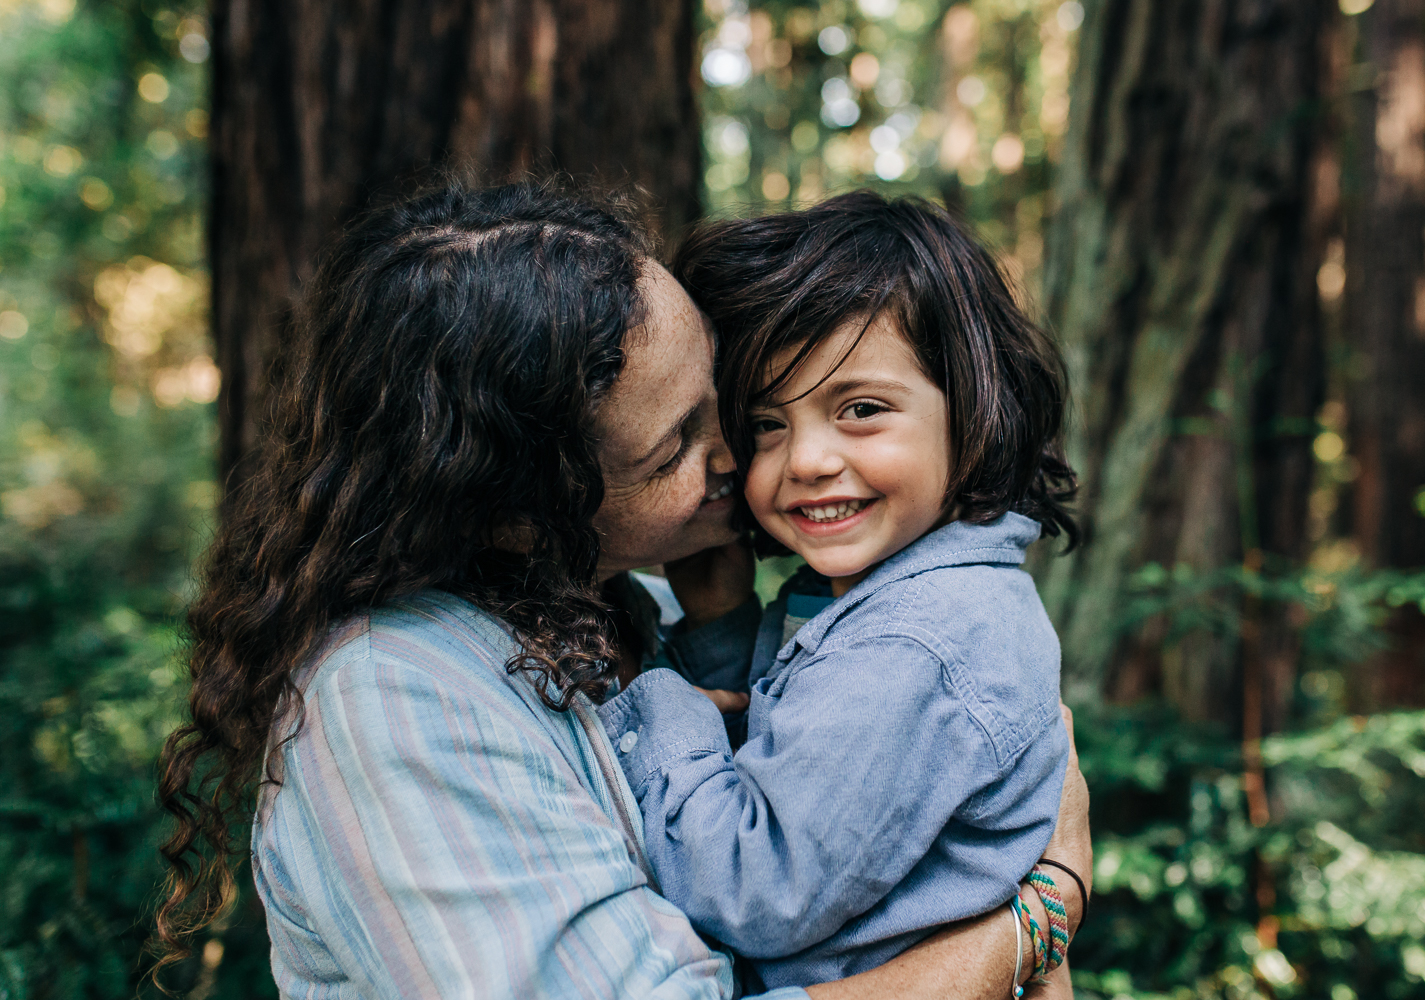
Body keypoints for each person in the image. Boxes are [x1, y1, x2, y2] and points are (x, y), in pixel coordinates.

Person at [153, 181, 1092, 999]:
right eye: (684, 441)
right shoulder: (397, 705)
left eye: (718, 401)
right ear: (522, 504)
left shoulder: (653, 606)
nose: (746, 459)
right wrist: (1032, 921)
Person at [601, 193, 1081, 991]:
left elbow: (752, 888)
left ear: (974, 408)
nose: (808, 461)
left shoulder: (915, 643)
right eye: (767, 423)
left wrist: (653, 702)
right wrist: (724, 621)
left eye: (860, 409)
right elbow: (795, 743)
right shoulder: (880, 594)